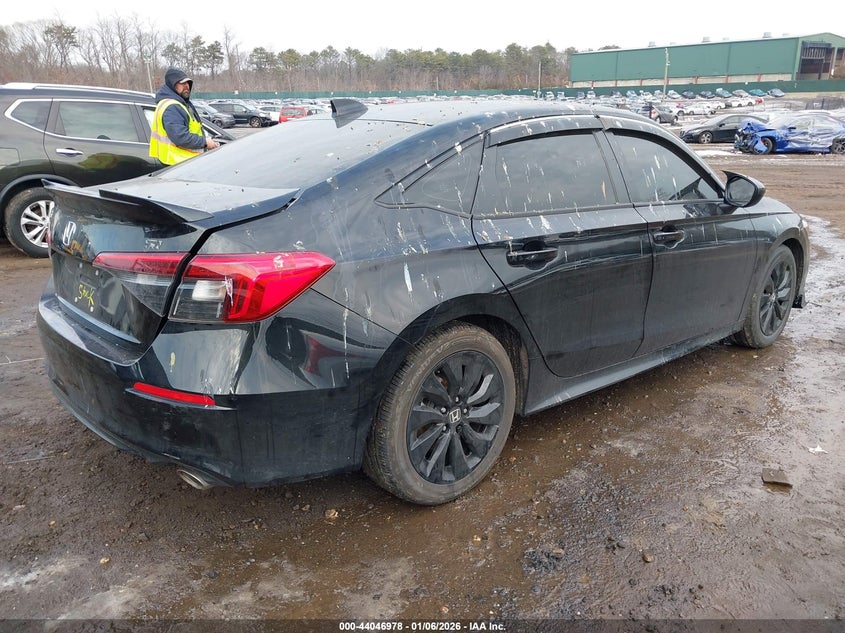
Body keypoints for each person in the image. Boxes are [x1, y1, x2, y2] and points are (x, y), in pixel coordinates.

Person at [149, 67, 219, 165]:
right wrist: (205, 142)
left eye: (187, 83)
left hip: (183, 162)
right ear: (172, 84)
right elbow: (180, 136)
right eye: (182, 83)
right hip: (179, 163)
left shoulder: (179, 103)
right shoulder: (172, 106)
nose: (186, 86)